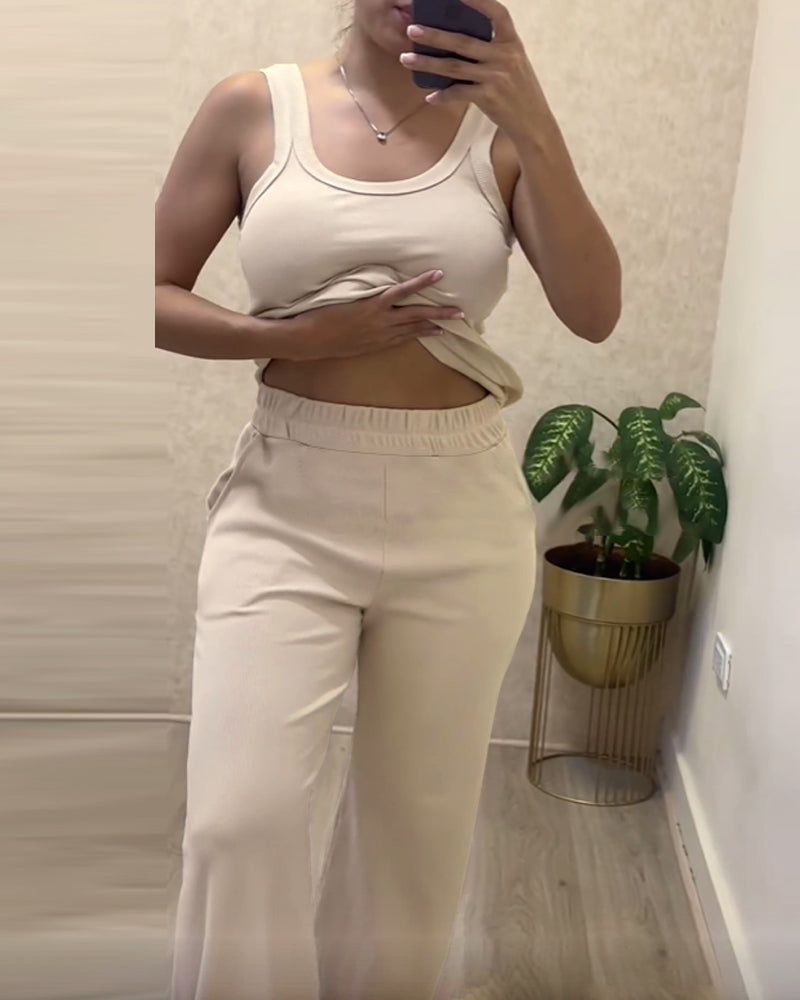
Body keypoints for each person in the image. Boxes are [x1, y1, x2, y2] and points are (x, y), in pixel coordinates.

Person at [155, 0, 621, 997]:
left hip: (458, 509)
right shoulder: (252, 108)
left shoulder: (501, 137)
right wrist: (291, 339)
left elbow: (593, 312)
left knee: (414, 831)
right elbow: (149, 294)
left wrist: (534, 116)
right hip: (285, 500)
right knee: (237, 819)